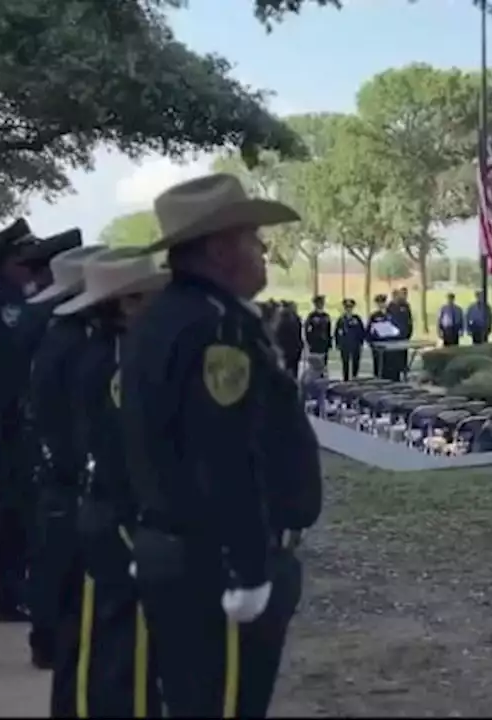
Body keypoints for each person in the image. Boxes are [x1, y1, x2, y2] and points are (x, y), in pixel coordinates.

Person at [120, 173, 323, 717]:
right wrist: (250, 569)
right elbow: (225, 456)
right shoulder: (218, 329)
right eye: (254, 240)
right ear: (219, 248)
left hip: (178, 548)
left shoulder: (159, 319)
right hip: (214, 562)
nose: (264, 253)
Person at [58, 249, 169, 717]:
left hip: (99, 507)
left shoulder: (89, 350)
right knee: (126, 656)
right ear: (126, 304)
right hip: (119, 516)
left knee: (103, 645)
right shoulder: (116, 363)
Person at [22, 243, 105, 674]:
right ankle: (54, 641)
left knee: (54, 558)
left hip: (55, 465)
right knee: (64, 565)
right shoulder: (74, 344)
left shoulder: (59, 335)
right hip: (68, 470)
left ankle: (49, 638)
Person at [0, 218, 43, 624]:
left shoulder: (11, 296)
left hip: (14, 411)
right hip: (10, 412)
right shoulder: (4, 302)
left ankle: (16, 588)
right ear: (9, 260)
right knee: (12, 507)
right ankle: (8, 594)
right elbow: (11, 363)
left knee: (19, 505)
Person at [367, 294, 402, 381]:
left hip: (391, 344)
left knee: (392, 366)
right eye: (378, 303)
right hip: (379, 344)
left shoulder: (392, 314)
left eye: (382, 302)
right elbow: (369, 330)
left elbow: (399, 327)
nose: (381, 305)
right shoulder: (374, 316)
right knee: (380, 367)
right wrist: (371, 342)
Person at [335, 298, 365, 381]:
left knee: (356, 361)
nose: (348, 309)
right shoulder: (341, 320)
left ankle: (355, 377)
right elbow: (337, 332)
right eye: (347, 307)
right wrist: (338, 344)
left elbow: (361, 331)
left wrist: (361, 342)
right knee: (345, 363)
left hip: (355, 344)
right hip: (345, 345)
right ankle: (346, 378)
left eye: (350, 307)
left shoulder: (357, 319)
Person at [274, 301, 304, 376]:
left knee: (294, 369)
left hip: (295, 348)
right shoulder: (282, 320)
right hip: (286, 348)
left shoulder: (296, 319)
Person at [303, 295, 332, 369]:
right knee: (314, 364)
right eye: (319, 303)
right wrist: (309, 341)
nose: (321, 305)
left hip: (324, 343)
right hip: (314, 344)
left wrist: (329, 343)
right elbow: (307, 330)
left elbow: (328, 330)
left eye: (322, 303)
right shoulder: (312, 316)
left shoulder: (326, 316)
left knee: (324, 364)